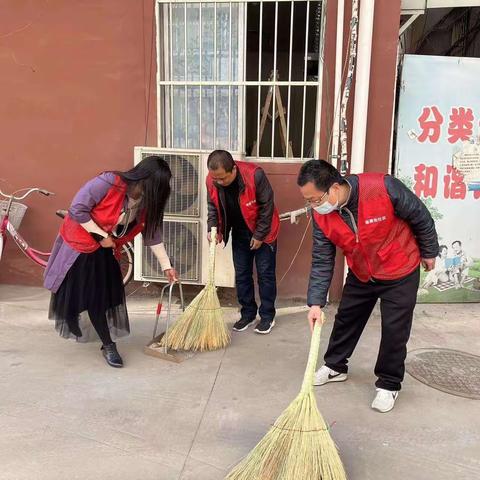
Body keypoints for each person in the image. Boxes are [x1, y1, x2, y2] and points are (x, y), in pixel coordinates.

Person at [297, 160, 439, 413]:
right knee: (346, 318)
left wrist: (429, 252)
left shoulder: (382, 187)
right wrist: (316, 303)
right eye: (308, 201)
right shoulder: (321, 217)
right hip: (363, 272)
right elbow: (322, 259)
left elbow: (420, 216)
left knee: (395, 329)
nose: (313, 206)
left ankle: (389, 384)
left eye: (316, 200)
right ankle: (335, 366)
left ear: (334, 188)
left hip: (399, 269)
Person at [44, 156, 178, 368]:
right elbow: (78, 208)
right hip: (81, 244)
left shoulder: (145, 202)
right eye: (159, 187)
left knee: (103, 297)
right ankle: (108, 345)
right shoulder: (108, 182)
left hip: (106, 248)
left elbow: (152, 234)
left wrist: (167, 266)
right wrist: (100, 235)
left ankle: (100, 335)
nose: (160, 193)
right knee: (82, 294)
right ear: (146, 180)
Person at [206, 150, 279, 334]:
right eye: (215, 178)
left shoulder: (255, 175)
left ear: (234, 170)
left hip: (263, 231)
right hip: (239, 232)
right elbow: (213, 207)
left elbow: (267, 206)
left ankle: (267, 316)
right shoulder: (212, 180)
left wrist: (259, 235)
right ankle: (247, 314)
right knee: (242, 275)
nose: (219, 182)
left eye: (223, 178)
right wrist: (213, 228)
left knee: (265, 274)